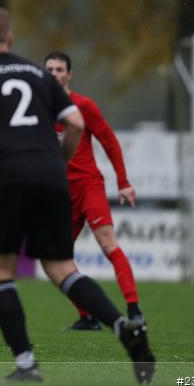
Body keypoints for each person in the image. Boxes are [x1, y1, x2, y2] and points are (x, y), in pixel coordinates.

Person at [0, 7, 154, 384]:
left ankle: (26, 364)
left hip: (7, 177)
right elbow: (75, 122)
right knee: (62, 269)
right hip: (52, 179)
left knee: (0, 272)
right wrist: (59, 161)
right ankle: (124, 326)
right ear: (10, 39)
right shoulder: (40, 74)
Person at [44, 51, 143, 329]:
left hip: (88, 186)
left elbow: (109, 141)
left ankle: (135, 311)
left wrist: (123, 182)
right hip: (61, 194)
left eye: (59, 69)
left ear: (69, 74)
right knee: (56, 259)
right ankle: (87, 316)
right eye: (49, 69)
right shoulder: (38, 108)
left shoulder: (82, 105)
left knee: (108, 244)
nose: (54, 74)